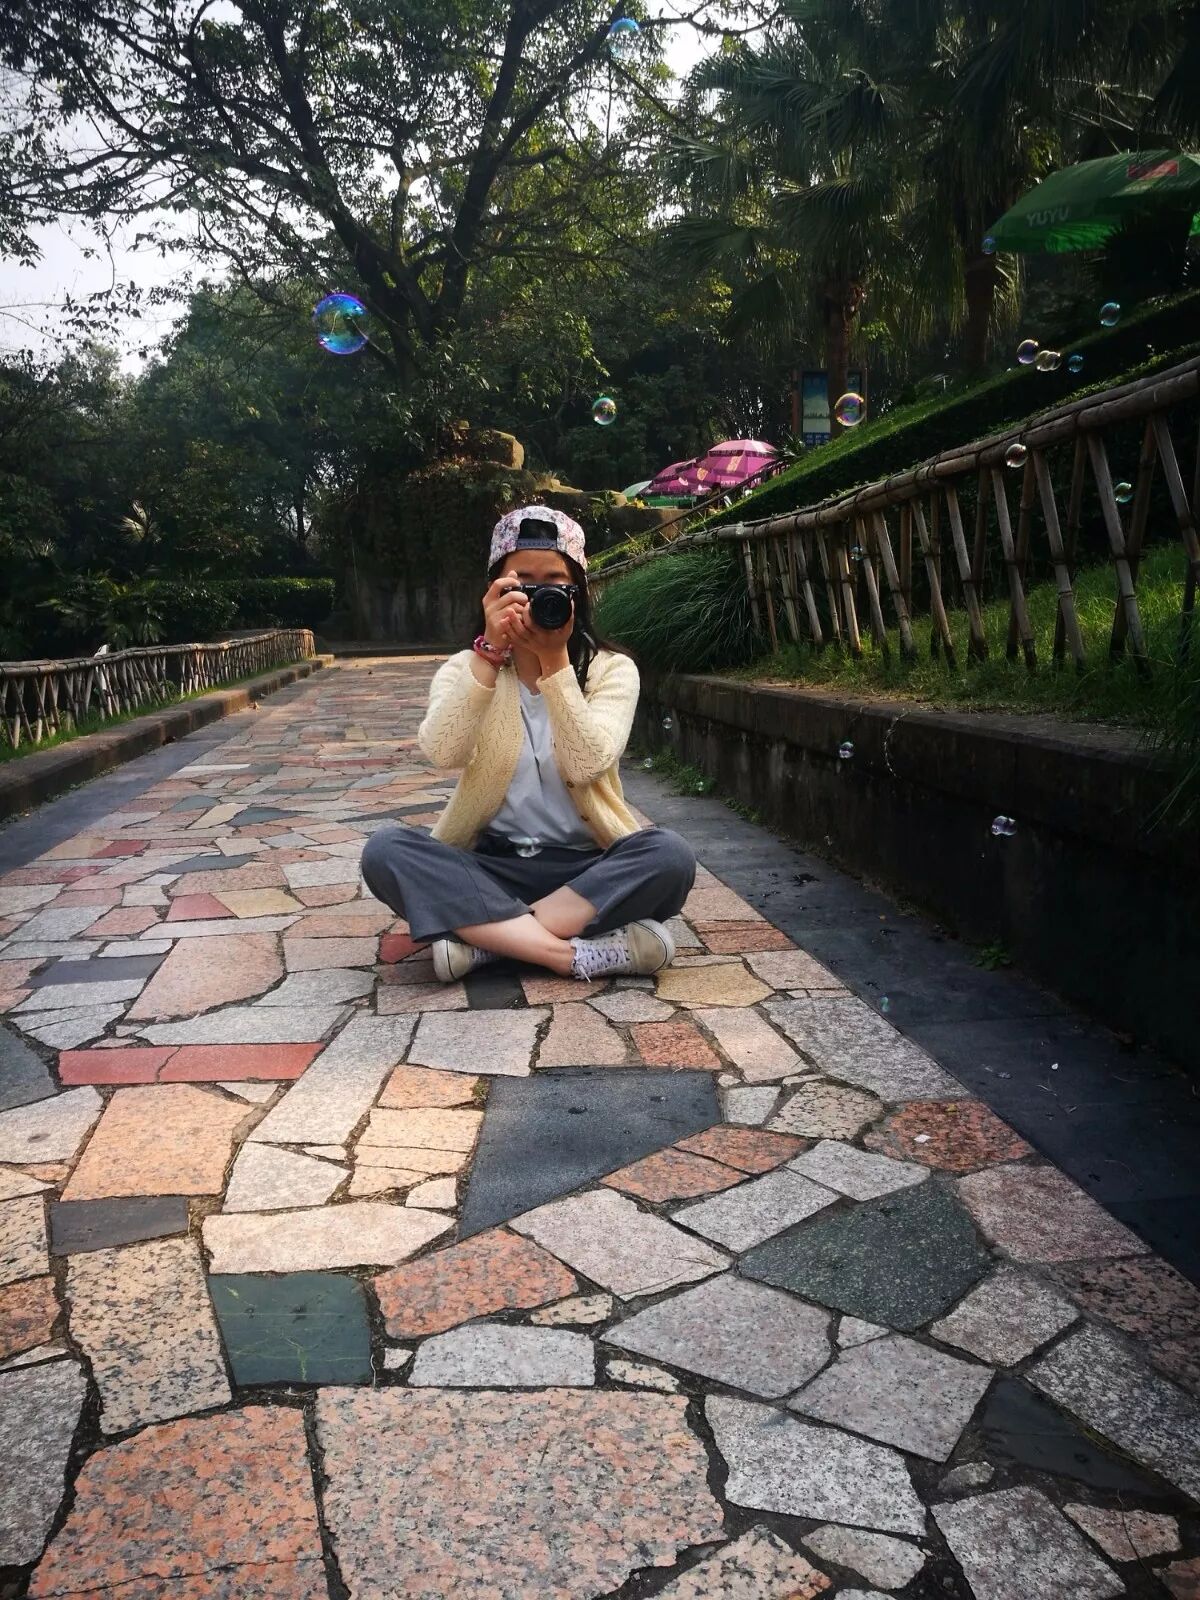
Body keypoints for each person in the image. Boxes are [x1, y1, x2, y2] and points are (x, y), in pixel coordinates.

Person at [361, 504, 696, 983]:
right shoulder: (463, 670)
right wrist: (488, 656)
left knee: (670, 856)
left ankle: (487, 942)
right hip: (492, 866)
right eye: (522, 583)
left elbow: (587, 763)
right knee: (385, 850)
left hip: (586, 871)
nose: (538, 597)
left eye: (554, 583)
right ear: (493, 592)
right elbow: (442, 752)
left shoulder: (611, 670)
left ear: (578, 592)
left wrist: (555, 661)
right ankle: (568, 955)